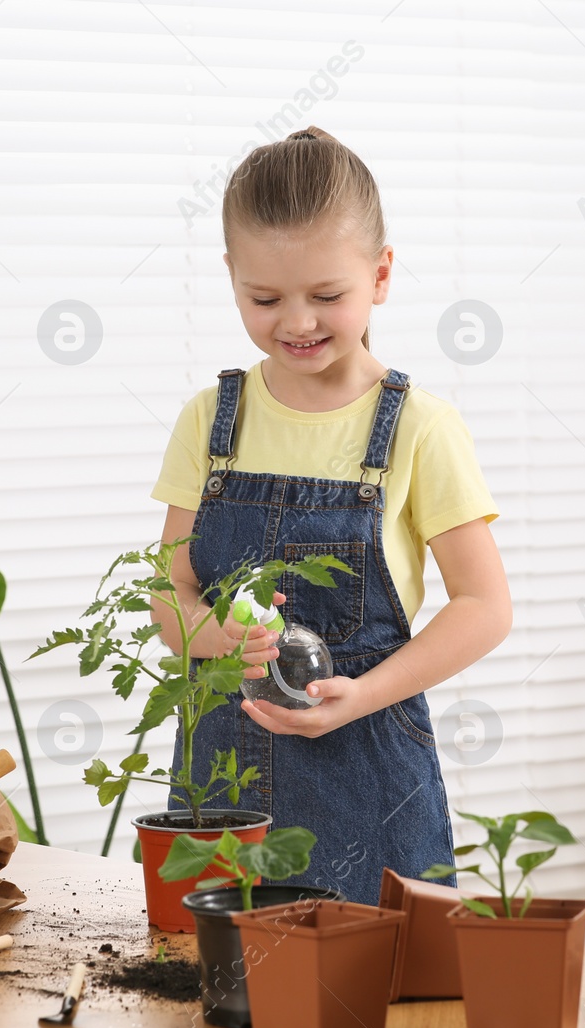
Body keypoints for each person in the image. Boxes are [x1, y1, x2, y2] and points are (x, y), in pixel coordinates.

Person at [148, 126, 511, 904]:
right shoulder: (211, 419)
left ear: (380, 276)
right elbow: (168, 592)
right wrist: (222, 637)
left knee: (378, 997)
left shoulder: (418, 426)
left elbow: (485, 607)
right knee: (214, 999)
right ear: (231, 277)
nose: (298, 322)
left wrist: (362, 694)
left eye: (327, 295)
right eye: (265, 298)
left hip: (369, 770)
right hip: (223, 786)